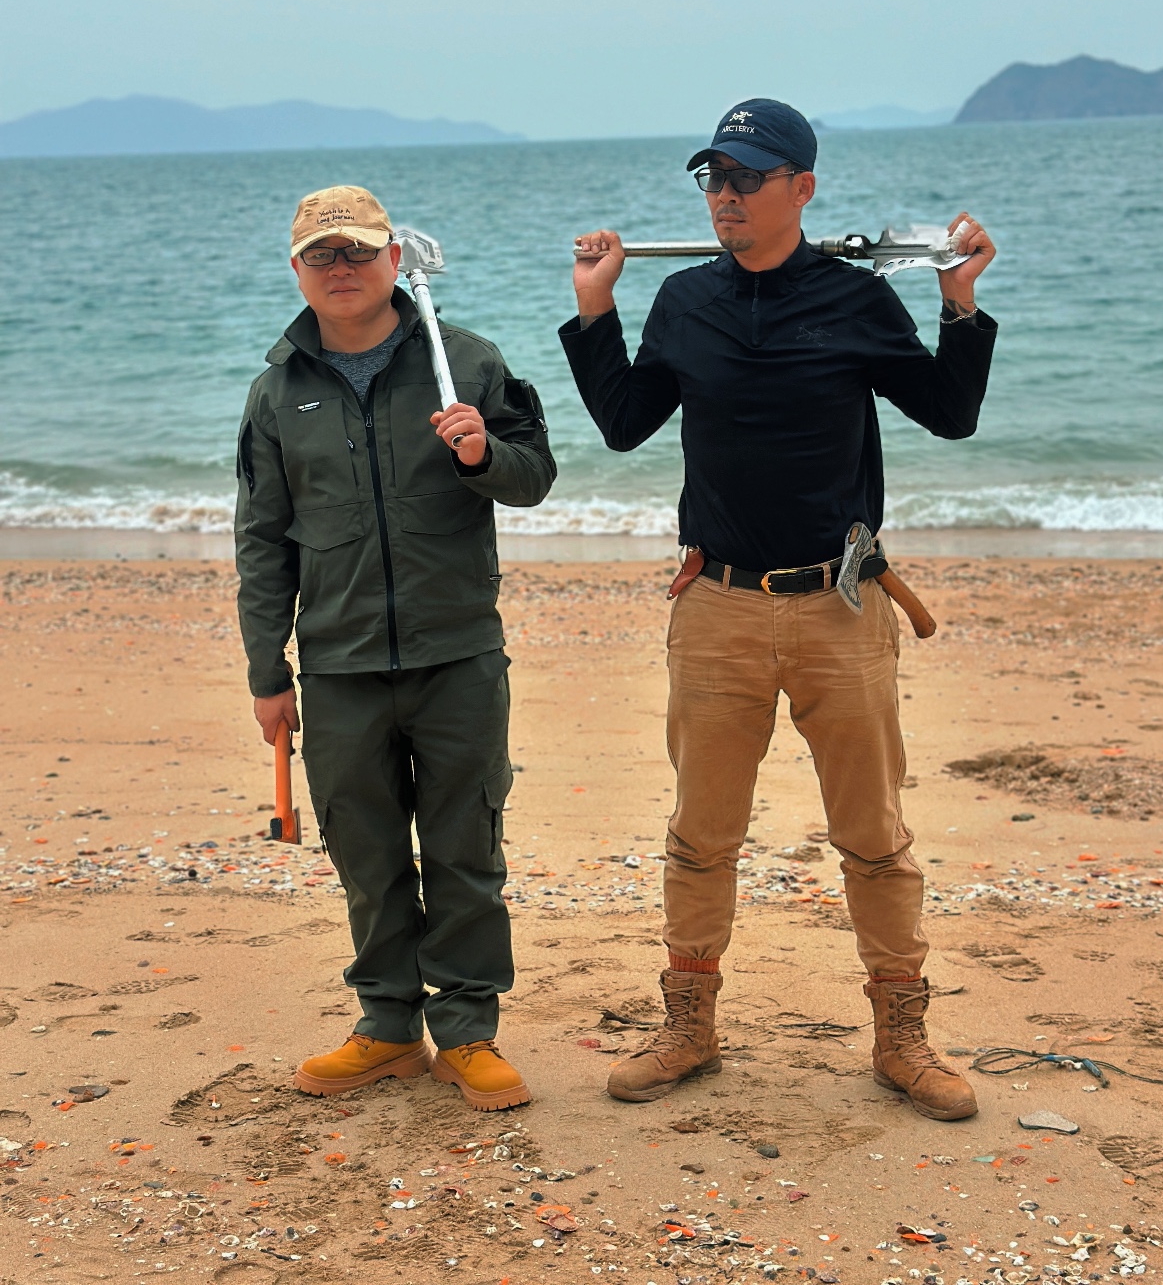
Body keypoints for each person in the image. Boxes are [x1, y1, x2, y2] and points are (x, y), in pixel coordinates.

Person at [560, 100, 997, 1120]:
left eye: (747, 179)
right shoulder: (684, 302)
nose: (725, 196)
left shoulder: (854, 300)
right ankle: (689, 1025)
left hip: (842, 606)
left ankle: (901, 1036)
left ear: (802, 188)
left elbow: (951, 413)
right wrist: (595, 309)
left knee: (874, 834)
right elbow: (624, 424)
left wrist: (959, 302)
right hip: (717, 606)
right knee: (699, 834)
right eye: (713, 178)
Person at [236, 185, 555, 1111]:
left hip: (458, 655)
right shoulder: (276, 392)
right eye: (321, 255)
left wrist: (481, 454)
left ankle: (467, 1032)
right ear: (298, 270)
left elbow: (534, 478)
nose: (340, 269)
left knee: (465, 848)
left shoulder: (468, 363)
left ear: (394, 261)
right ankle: (385, 1026)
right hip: (338, 667)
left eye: (357, 251)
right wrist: (268, 672)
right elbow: (262, 540)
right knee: (366, 855)